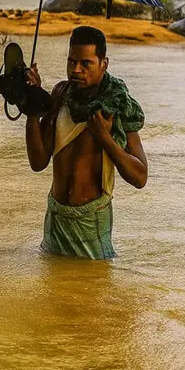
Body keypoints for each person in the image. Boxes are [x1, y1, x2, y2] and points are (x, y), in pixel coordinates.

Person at [23, 26, 148, 260]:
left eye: (86, 63)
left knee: (94, 280)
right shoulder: (61, 94)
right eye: (71, 62)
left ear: (104, 64)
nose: (76, 70)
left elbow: (140, 177)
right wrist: (31, 105)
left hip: (91, 222)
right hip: (56, 219)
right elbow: (38, 162)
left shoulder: (118, 105)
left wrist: (105, 139)